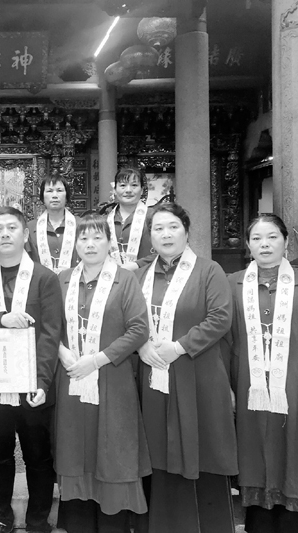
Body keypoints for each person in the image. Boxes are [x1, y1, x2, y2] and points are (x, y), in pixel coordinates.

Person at [135, 203, 238, 533]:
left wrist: (179, 347)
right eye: (158, 228)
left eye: (173, 227)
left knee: (202, 447)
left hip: (197, 374)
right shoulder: (139, 275)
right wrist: (141, 345)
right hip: (153, 377)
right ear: (150, 236)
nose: (166, 234)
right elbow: (127, 318)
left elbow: (220, 318)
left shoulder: (209, 271)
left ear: (186, 231)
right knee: (158, 450)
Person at [0, 206, 63, 533]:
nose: (5, 234)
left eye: (11, 228)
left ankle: (38, 521)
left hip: (33, 383)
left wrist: (42, 382)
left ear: (25, 234)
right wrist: (1, 319)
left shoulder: (45, 278)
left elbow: (51, 333)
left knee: (38, 456)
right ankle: (0, 518)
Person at [54, 214, 151, 533]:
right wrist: (61, 351)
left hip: (112, 379)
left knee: (112, 448)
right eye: (83, 238)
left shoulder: (125, 280)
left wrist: (97, 360)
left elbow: (139, 329)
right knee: (75, 448)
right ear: (75, 245)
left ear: (110, 243)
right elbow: (49, 325)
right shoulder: (62, 280)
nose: (90, 244)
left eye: (97, 237)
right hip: (71, 378)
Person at [228, 214, 298, 533]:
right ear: (247, 245)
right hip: (248, 384)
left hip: (293, 384)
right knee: (254, 449)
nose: (265, 244)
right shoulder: (232, 284)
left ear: (287, 241)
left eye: (272, 237)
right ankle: (257, 521)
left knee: (291, 448)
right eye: (256, 238)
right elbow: (224, 339)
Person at [101, 167, 154, 271]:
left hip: (146, 275)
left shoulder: (154, 217)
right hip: (112, 276)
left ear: (142, 190)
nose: (128, 190)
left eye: (134, 185)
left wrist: (137, 265)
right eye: (123, 185)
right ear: (114, 190)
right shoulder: (105, 220)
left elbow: (166, 251)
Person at [27, 175, 80, 273]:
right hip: (41, 281)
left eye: (59, 190)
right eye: (49, 191)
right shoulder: (30, 228)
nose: (55, 195)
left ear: (67, 195)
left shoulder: (81, 225)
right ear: (42, 196)